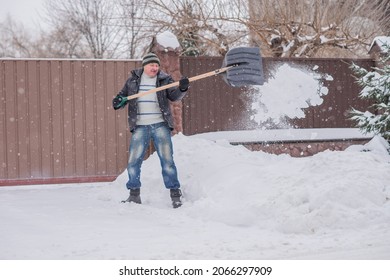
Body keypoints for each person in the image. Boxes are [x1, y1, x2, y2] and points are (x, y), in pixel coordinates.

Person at [112, 53, 189, 208]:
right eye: (151, 65)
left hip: (160, 124)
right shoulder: (133, 81)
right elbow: (121, 98)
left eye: (156, 65)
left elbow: (174, 96)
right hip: (140, 126)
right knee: (133, 161)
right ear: (144, 66)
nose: (155, 68)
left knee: (167, 161)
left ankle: (175, 194)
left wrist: (182, 88)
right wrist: (118, 101)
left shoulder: (164, 79)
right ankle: (134, 194)